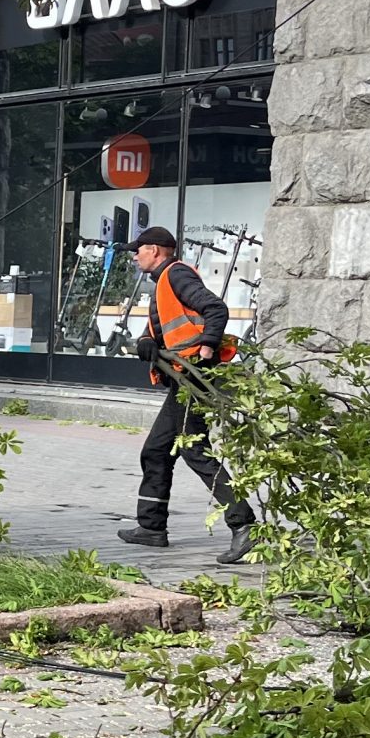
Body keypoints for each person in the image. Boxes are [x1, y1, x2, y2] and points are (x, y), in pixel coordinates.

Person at [117, 227, 256, 562]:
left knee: (195, 451)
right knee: (157, 451)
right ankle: (151, 527)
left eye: (139, 250)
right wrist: (148, 341)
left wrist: (207, 348)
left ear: (155, 250)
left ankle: (244, 524)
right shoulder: (165, 281)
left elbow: (215, 309)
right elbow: (168, 325)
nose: (135, 256)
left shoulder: (176, 274)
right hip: (183, 378)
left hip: (193, 377)